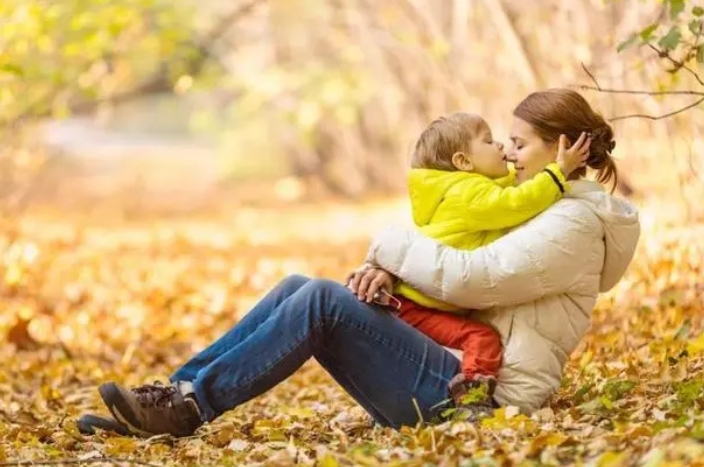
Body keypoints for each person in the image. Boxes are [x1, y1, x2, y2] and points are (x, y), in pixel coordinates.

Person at [91, 88, 639, 437]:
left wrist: (389, 254)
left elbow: (478, 278)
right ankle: (172, 396)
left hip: (476, 394)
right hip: (450, 361)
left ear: (564, 147)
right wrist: (392, 276)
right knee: (297, 286)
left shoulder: (574, 224)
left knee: (323, 301)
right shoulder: (535, 205)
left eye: (519, 143)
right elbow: (461, 256)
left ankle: (188, 409)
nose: (511, 153)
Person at [383, 111, 590, 420]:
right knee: (481, 338)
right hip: (417, 306)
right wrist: (558, 172)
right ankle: (473, 399)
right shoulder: (469, 194)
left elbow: (509, 188)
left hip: (418, 300)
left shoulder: (462, 189)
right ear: (463, 162)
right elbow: (515, 202)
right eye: (490, 141)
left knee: (475, 338)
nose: (502, 148)